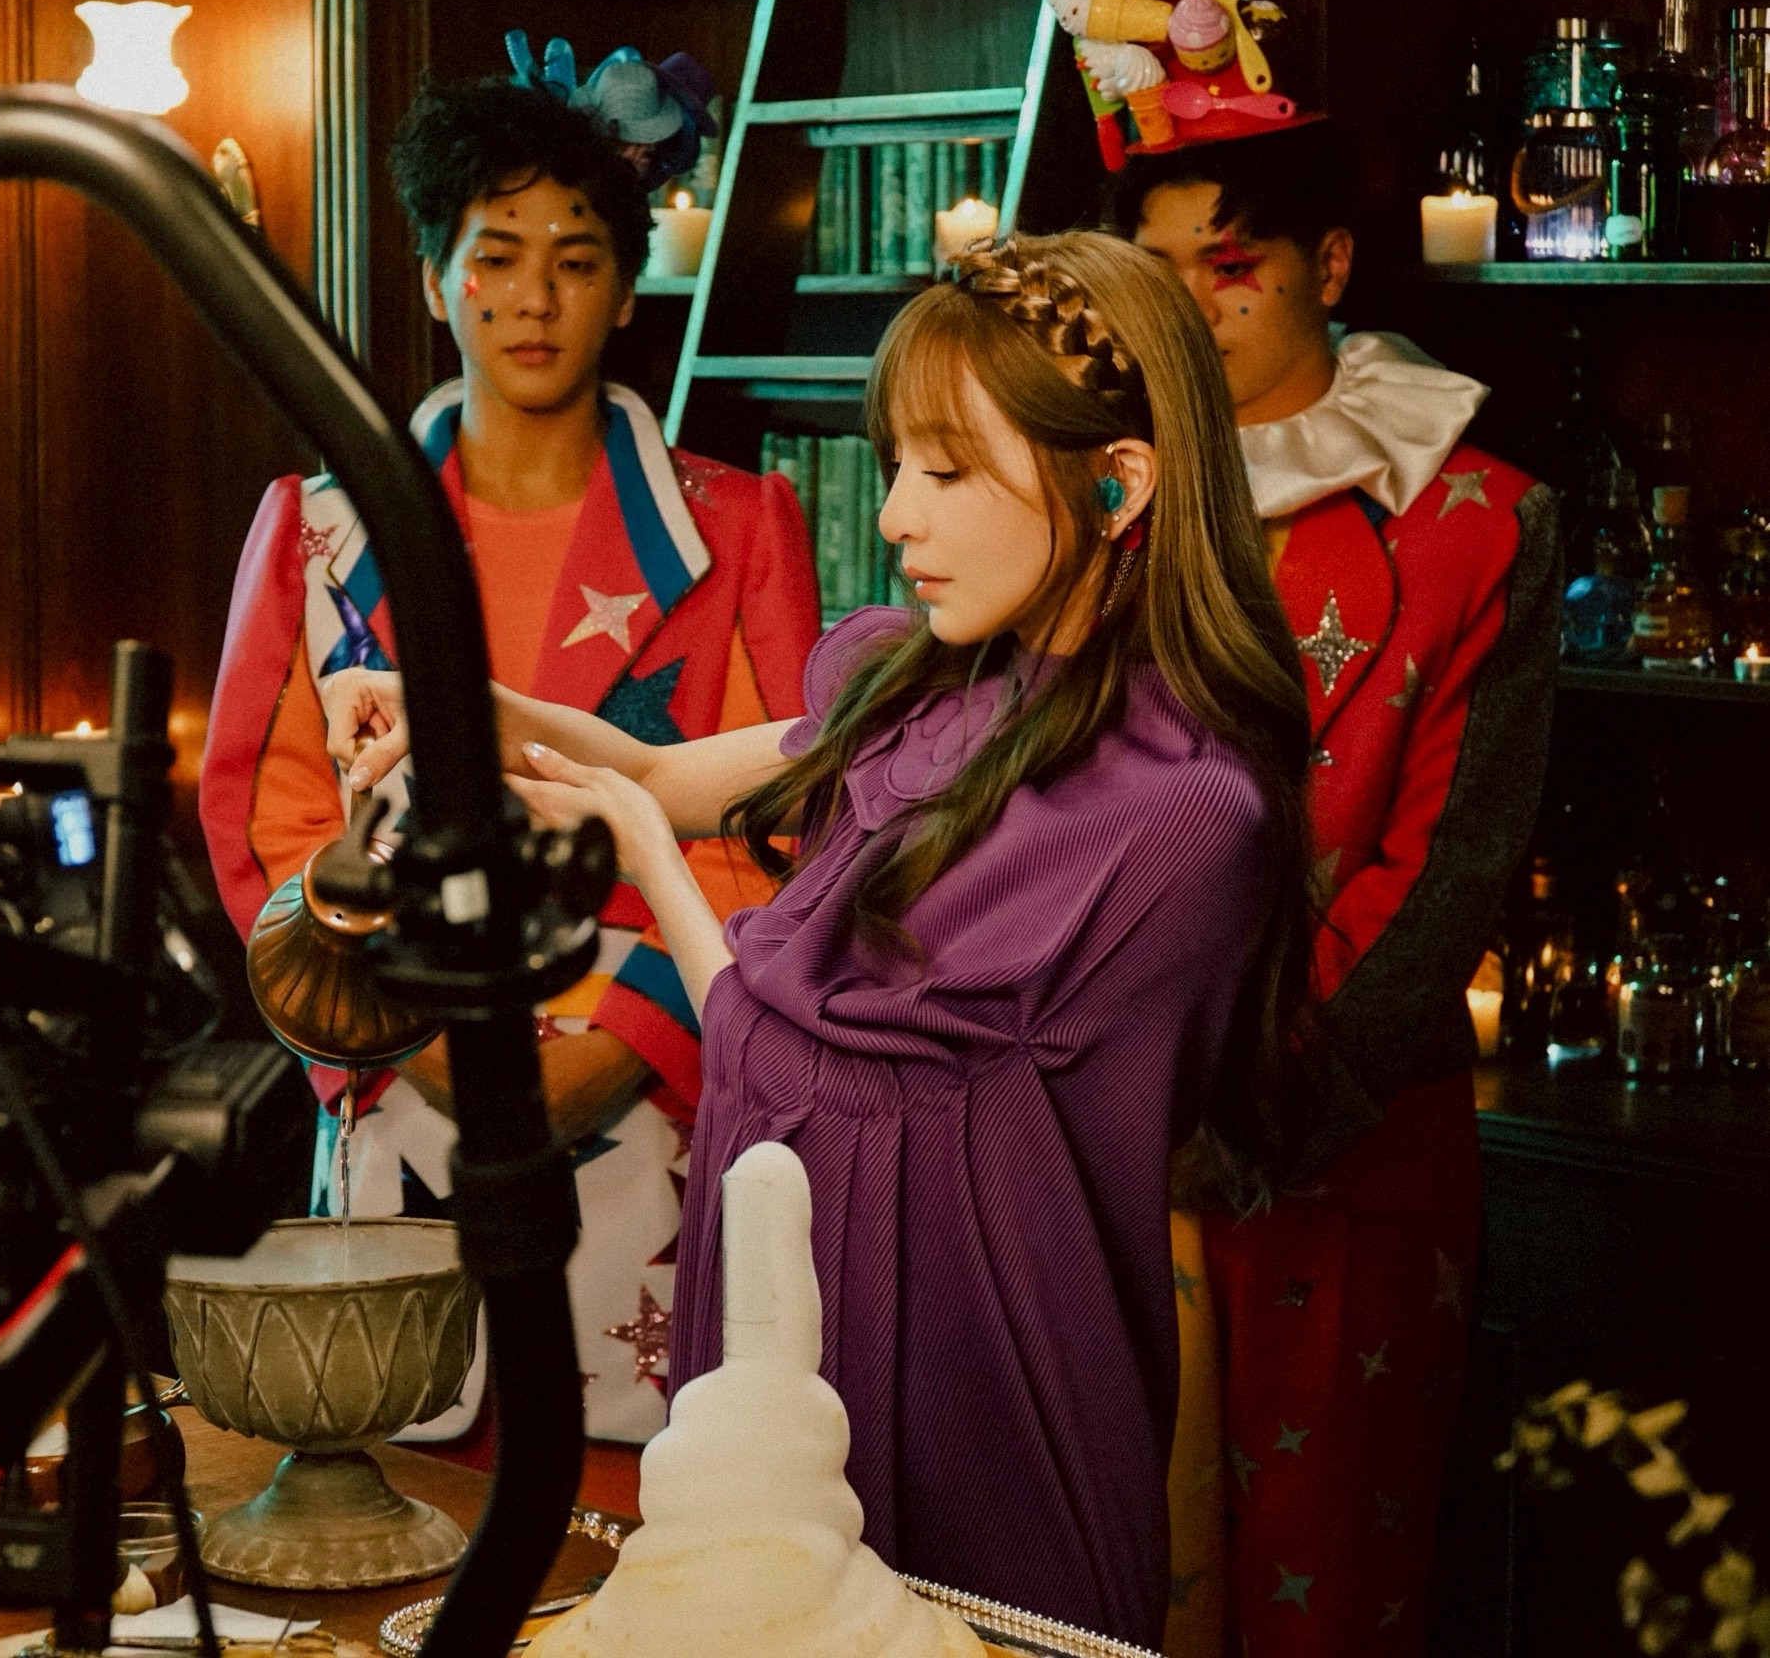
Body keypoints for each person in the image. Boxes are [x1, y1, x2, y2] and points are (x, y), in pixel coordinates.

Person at [322, 230, 1319, 1644]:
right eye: (897, 463)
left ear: (1119, 481)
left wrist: (645, 854)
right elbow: (659, 772)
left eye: (948, 471)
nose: (897, 515)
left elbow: (822, 1070)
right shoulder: (936, 681)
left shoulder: (1177, 807)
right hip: (799, 1303)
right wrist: (457, 703)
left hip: (979, 1376)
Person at [198, 63, 819, 1444]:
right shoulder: (315, 530)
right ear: (436, 281)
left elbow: (777, 819)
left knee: (651, 1496)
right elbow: (264, 822)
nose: (534, 299)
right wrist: (409, 1032)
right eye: (495, 256)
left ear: (628, 289)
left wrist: (627, 1043)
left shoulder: (740, 524)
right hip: (395, 1065)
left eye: (576, 261)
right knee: (395, 1476)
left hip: (651, 1094)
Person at [1118, 121, 1560, 1654]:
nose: (1191, 306)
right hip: (1097, 1137)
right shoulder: (1096, 496)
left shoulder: (1476, 519)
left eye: (1228, 266)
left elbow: (1445, 876)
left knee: (1328, 1603)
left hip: (1342, 1147)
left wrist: (1245, 1116)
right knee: (1109, 1594)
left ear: (1329, 263)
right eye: (1158, 272)